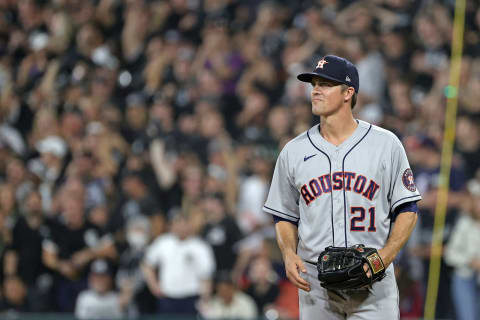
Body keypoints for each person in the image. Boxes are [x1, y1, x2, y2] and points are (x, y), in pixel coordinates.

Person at [263, 55, 422, 319]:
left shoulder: (386, 144)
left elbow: (408, 208)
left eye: (325, 84)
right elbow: (284, 215)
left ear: (348, 93)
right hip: (315, 280)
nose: (315, 90)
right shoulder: (293, 151)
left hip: (372, 276)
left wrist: (385, 256)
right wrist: (289, 253)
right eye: (314, 83)